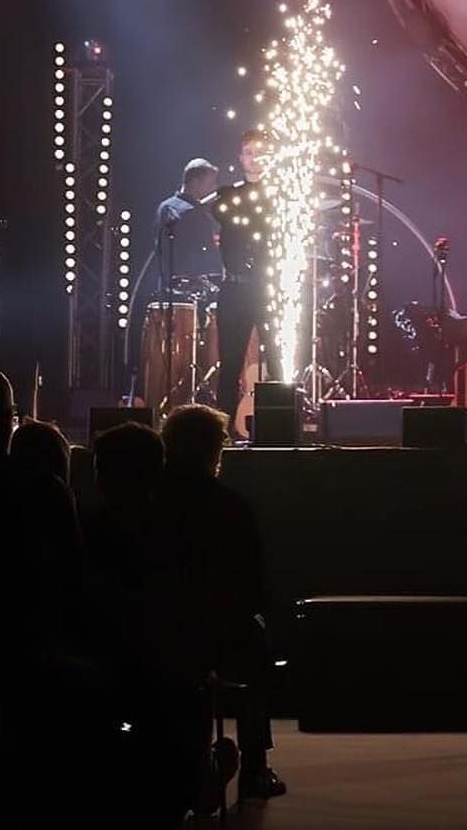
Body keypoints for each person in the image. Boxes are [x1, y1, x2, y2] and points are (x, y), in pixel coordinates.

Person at [154, 404, 285, 800]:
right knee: (255, 647)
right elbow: (254, 586)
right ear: (215, 451)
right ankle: (255, 768)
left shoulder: (152, 503)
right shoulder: (231, 506)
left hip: (159, 630)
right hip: (219, 633)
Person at [205, 130, 275, 433]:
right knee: (230, 362)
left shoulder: (283, 197)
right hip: (234, 288)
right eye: (249, 151)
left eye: (261, 151)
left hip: (270, 289)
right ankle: (223, 433)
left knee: (277, 362)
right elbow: (226, 214)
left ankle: (278, 428)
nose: (255, 157)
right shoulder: (228, 195)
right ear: (240, 157)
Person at [154, 158, 222, 288]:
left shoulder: (164, 207)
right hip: (192, 290)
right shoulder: (194, 213)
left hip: (165, 287)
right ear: (195, 183)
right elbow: (207, 255)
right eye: (211, 184)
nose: (215, 188)